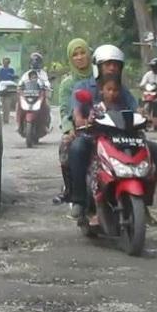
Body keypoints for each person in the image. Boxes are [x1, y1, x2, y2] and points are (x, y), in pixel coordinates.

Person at [68, 44, 157, 225]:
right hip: (94, 138)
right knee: (77, 148)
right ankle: (79, 201)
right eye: (108, 64)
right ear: (98, 66)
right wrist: (83, 122)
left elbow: (137, 109)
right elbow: (77, 115)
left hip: (124, 138)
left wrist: (146, 117)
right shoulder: (83, 87)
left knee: (156, 150)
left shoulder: (123, 91)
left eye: (116, 65)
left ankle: (144, 202)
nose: (112, 68)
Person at [54, 38, 93, 205]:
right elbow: (64, 110)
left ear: (89, 54)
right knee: (65, 148)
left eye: (82, 52)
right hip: (78, 127)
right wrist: (69, 129)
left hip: (103, 124)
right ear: (71, 59)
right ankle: (72, 191)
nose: (79, 57)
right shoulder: (67, 84)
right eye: (75, 55)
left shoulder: (100, 76)